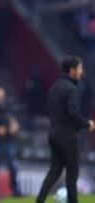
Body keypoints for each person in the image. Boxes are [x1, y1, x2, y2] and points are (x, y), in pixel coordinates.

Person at [36, 55, 95, 203]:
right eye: (80, 68)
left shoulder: (54, 87)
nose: (81, 71)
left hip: (54, 134)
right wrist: (87, 124)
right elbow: (73, 112)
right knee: (72, 173)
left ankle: (39, 201)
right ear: (72, 70)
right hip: (68, 136)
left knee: (54, 172)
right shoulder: (72, 89)